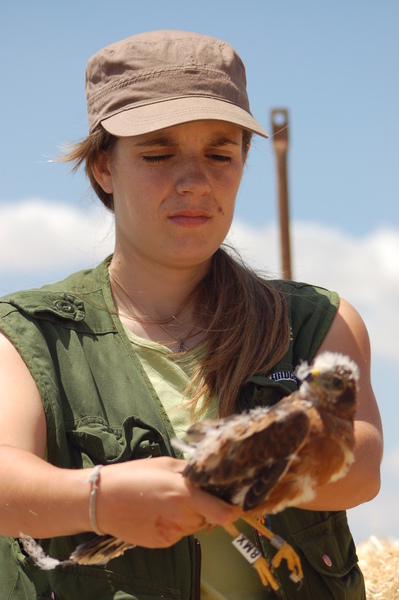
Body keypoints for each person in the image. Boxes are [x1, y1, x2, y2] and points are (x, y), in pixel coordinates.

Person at [0, 30, 382, 600]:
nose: (195, 182)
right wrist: (100, 498)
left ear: (245, 161)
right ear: (104, 168)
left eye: (220, 154)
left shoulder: (318, 321)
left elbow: (362, 464)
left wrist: (229, 472)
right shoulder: (28, 335)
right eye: (157, 154)